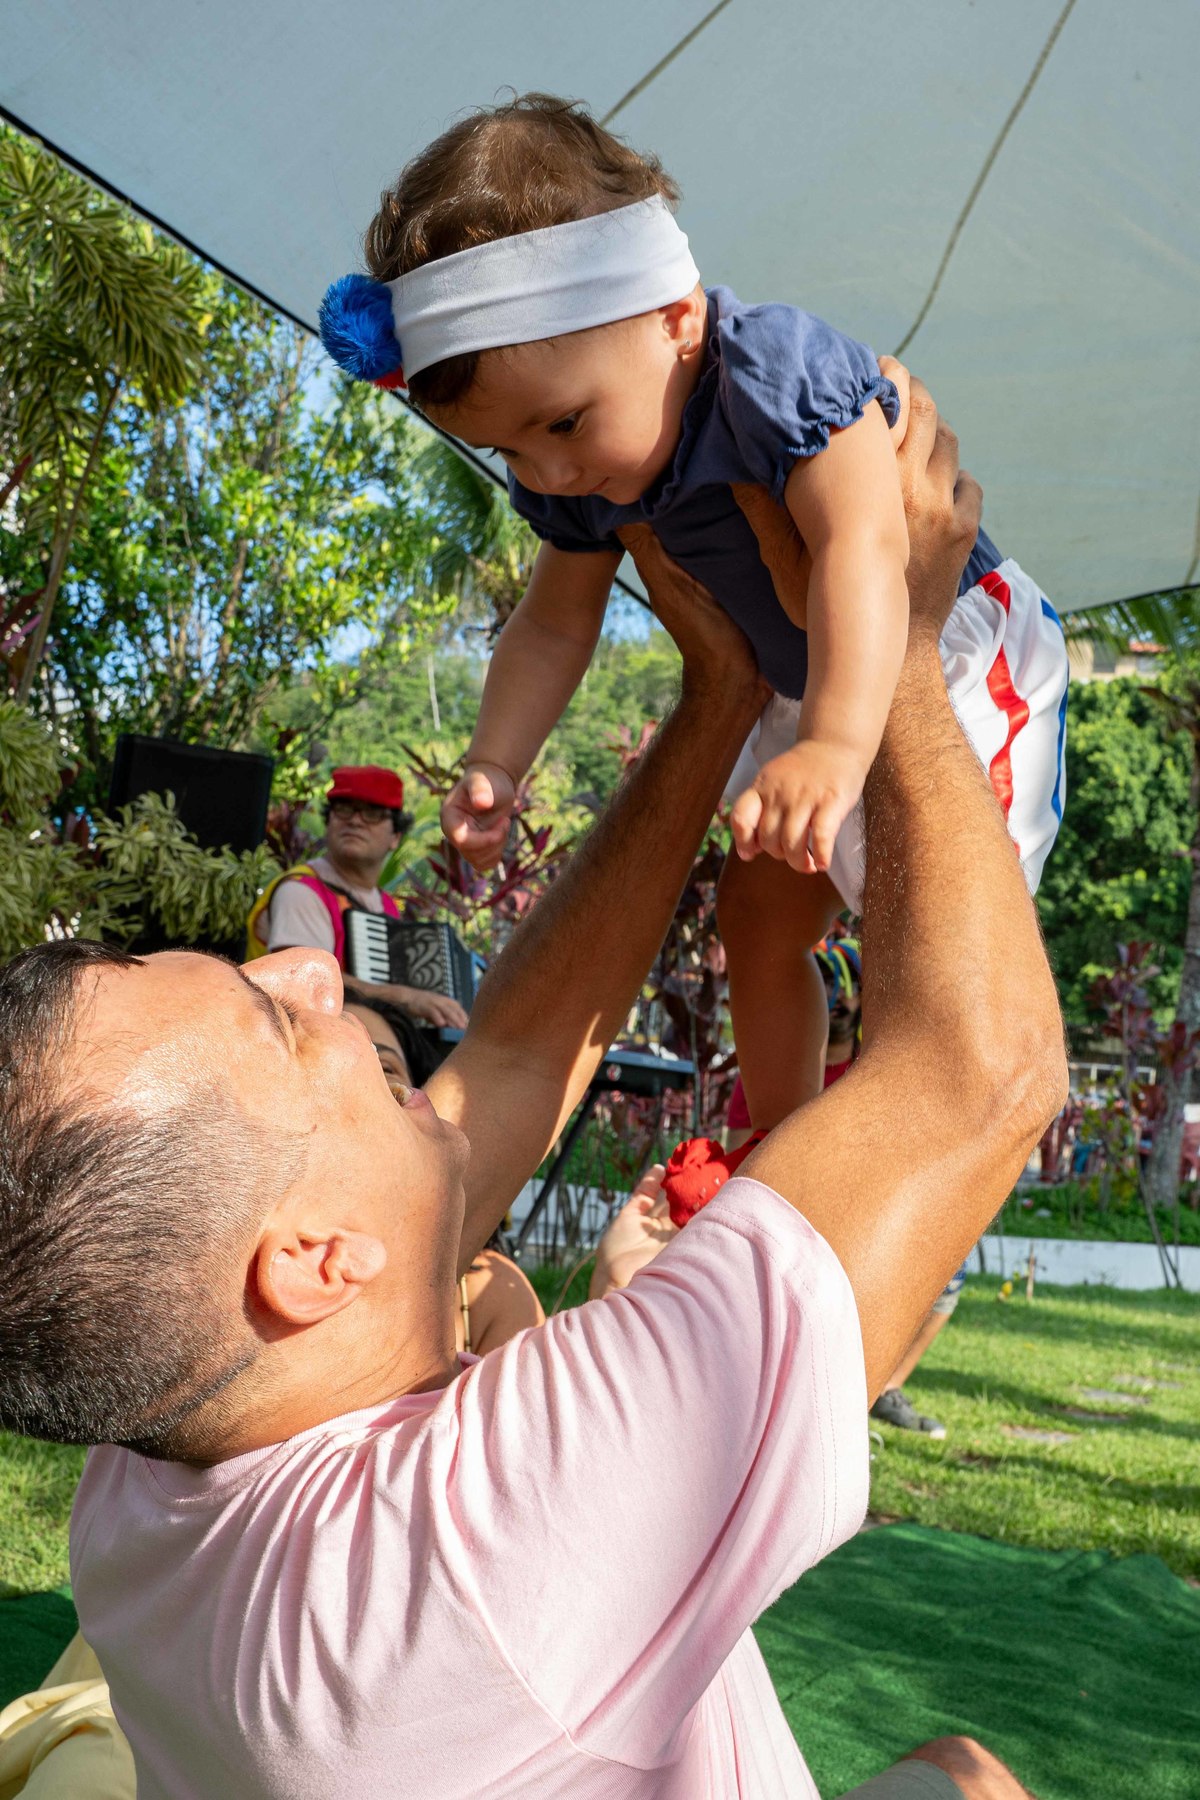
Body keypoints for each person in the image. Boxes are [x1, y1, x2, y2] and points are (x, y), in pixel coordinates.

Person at [0, 383, 1064, 1798]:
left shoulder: (154, 1442)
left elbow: (505, 1063)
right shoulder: (478, 1555)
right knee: (973, 1777)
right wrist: (908, 639)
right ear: (316, 1261)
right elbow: (982, 1076)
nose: (310, 970)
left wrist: (718, 699)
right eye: (276, 1020)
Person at [319, 91, 1068, 1146]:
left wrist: (838, 745)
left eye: (564, 424)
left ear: (674, 316)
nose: (551, 471)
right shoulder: (582, 472)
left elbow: (869, 543)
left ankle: (910, 1155)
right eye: (512, 454)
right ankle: (787, 1149)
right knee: (756, 920)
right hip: (802, 684)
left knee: (931, 935)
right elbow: (551, 624)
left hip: (943, 651)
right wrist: (496, 761)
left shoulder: (776, 373)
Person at [247, 763, 468, 1030]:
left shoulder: (386, 905)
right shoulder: (301, 891)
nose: (355, 820)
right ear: (328, 822)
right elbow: (304, 982)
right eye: (344, 809)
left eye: (373, 813)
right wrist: (406, 997)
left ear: (395, 836)